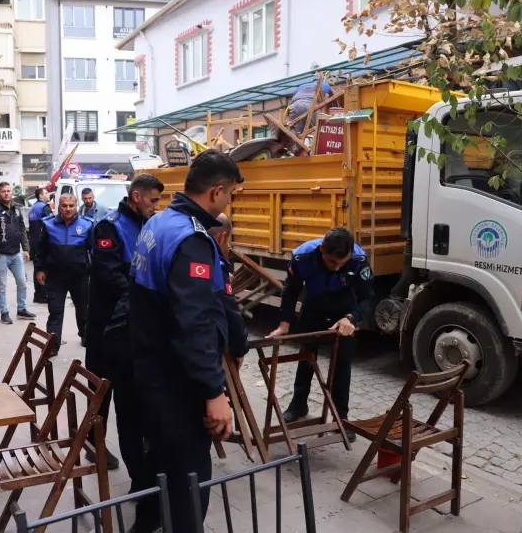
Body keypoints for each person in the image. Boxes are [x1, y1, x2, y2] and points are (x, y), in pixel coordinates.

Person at [129, 149, 243, 532]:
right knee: (189, 477)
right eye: (230, 194)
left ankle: (146, 524)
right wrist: (214, 392)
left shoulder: (158, 223)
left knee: (159, 462)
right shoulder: (191, 240)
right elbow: (193, 324)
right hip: (178, 382)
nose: (229, 201)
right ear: (215, 192)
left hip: (151, 371)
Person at [84, 174, 164, 481]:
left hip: (134, 325)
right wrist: (144, 298)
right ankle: (94, 440)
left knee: (131, 393)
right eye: (153, 200)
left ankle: (141, 453)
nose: (156, 206)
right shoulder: (110, 225)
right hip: (107, 326)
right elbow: (110, 275)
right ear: (136, 197)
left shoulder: (149, 225)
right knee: (102, 390)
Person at [268, 227, 374, 440]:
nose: (337, 268)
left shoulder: (359, 259)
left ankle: (340, 417)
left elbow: (368, 297)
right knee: (306, 355)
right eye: (332, 262)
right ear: (321, 249)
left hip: (344, 307)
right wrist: (284, 324)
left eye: (342, 264)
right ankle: (298, 405)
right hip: (314, 304)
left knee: (342, 362)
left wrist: (351, 318)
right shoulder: (303, 256)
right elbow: (291, 290)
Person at [35, 193, 92, 356]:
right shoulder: (48, 225)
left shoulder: (87, 225)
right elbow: (41, 250)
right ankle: (53, 345)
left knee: (83, 310)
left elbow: (93, 251)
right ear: (58, 206)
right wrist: (40, 269)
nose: (68, 209)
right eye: (64, 205)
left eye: (71, 206)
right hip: (55, 277)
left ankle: (86, 337)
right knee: (55, 311)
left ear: (76, 206)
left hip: (79, 276)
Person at [0, 182, 36, 325]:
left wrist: (25, 248)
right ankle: (4, 312)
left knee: (23, 283)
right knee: (2, 285)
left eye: (8, 191)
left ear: (12, 192)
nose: (6, 193)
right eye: (3, 191)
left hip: (16, 253)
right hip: (0, 255)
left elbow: (22, 230)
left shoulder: (17, 209)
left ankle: (22, 309)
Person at [208, 213, 249, 361]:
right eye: (228, 242)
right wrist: (241, 349)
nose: (228, 248)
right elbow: (231, 315)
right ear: (222, 237)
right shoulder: (216, 266)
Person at [28, 188, 53, 304]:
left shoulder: (33, 208)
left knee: (37, 268)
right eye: (46, 193)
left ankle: (37, 295)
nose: (48, 195)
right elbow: (51, 225)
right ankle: (44, 295)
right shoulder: (44, 208)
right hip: (42, 243)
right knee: (45, 268)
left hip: (33, 242)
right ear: (40, 196)